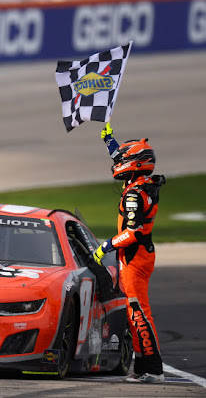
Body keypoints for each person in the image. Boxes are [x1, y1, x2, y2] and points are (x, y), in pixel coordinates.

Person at [93, 122, 166, 384]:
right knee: (135, 311)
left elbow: (133, 232)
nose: (118, 164)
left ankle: (152, 369)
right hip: (136, 255)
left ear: (135, 163)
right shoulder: (141, 183)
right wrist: (109, 141)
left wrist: (106, 246)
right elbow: (123, 160)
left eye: (124, 159)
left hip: (135, 256)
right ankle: (144, 367)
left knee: (138, 313)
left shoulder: (135, 194)